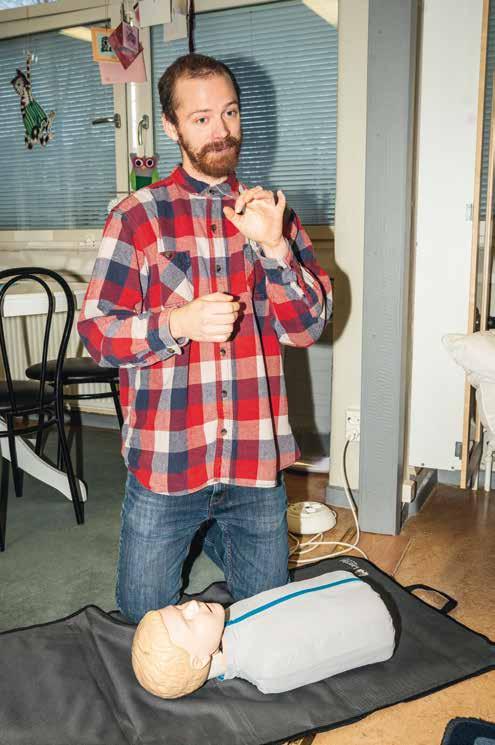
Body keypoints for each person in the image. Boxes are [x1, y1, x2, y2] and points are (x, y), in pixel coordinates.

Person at [78, 53, 333, 624]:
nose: (221, 131)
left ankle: (218, 534)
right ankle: (205, 531)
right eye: (200, 119)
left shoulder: (271, 215)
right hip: (168, 462)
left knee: (267, 619)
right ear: (171, 127)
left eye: (230, 113)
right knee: (143, 621)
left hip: (253, 459)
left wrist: (276, 248)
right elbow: (97, 333)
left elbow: (307, 328)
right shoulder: (137, 217)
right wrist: (176, 324)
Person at [131, 570, 396, 698]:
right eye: (187, 621)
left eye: (179, 607)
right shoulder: (268, 669)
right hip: (376, 622)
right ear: (199, 660)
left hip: (350, 586)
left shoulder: (228, 619)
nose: (191, 605)